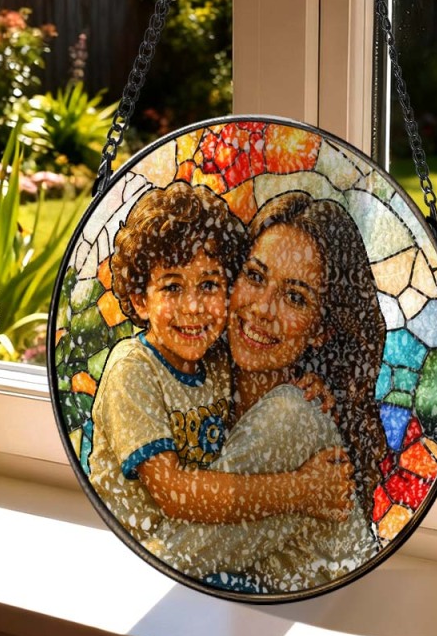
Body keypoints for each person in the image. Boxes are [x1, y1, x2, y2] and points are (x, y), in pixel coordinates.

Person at [146, 191, 389, 593]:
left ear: (321, 329)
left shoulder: (291, 417)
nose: (262, 308)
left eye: (295, 297)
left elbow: (172, 558)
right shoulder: (207, 387)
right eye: (255, 277)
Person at [89, 181, 353, 542]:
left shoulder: (214, 361)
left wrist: (307, 383)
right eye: (172, 287)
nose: (193, 307)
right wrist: (300, 491)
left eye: (209, 285)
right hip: (132, 547)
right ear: (140, 300)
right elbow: (174, 493)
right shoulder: (132, 370)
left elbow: (268, 410)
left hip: (198, 548)